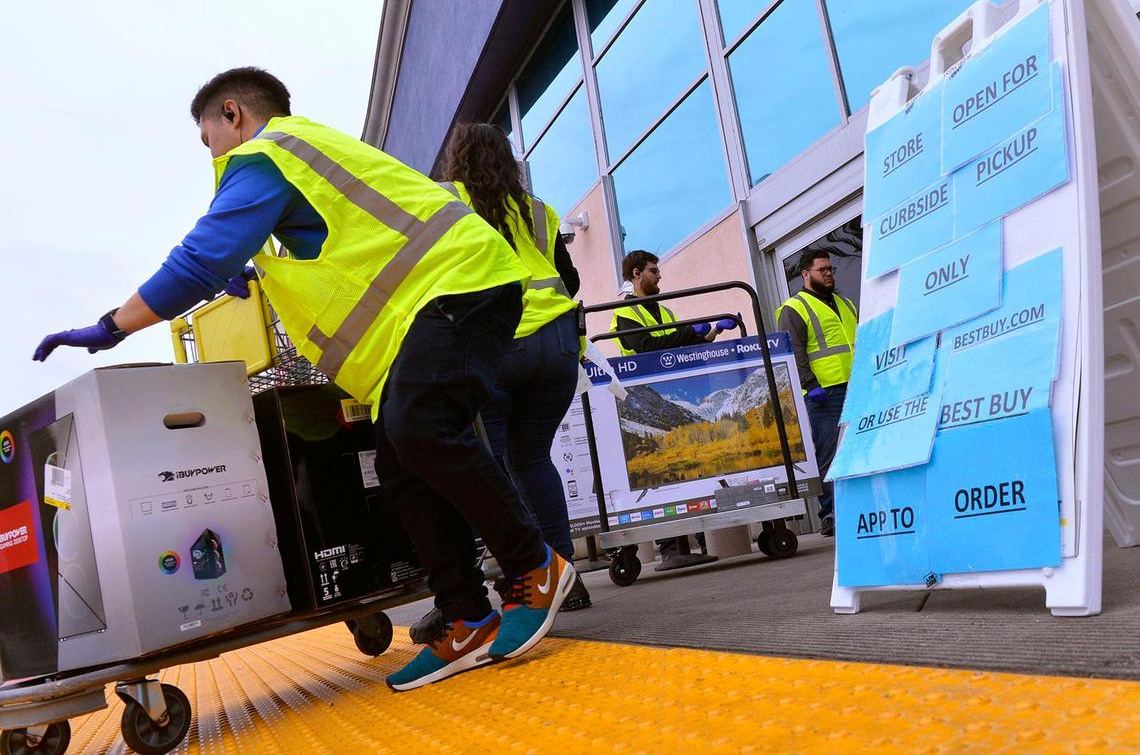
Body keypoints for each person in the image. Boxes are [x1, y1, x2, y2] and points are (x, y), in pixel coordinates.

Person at [31, 67, 576, 691]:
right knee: (401, 464)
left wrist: (112, 326)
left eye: (208, 138)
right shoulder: (304, 160)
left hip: (458, 286)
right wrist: (256, 269)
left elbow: (198, 259)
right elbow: (334, 247)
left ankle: (533, 566)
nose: (211, 153)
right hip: (430, 309)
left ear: (232, 113)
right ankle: (466, 616)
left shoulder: (268, 154)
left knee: (422, 428)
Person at [439, 122, 592, 611]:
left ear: (457, 159)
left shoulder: (448, 202)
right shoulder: (538, 211)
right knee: (533, 460)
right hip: (558, 346)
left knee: (492, 467)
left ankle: (527, 574)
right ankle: (566, 575)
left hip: (499, 347)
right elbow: (569, 280)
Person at [609, 250, 737, 569]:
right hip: (644, 396)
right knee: (658, 478)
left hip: (668, 394)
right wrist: (691, 331)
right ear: (636, 274)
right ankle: (669, 547)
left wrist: (711, 332)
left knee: (686, 471)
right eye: (654, 270)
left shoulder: (664, 310)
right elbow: (647, 347)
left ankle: (694, 539)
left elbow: (681, 345)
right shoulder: (624, 312)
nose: (659, 275)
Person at [775, 249, 858, 538]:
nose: (829, 274)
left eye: (831, 269)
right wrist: (810, 385)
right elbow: (793, 351)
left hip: (856, 386)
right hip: (825, 394)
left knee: (858, 447)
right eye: (822, 270)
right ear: (806, 274)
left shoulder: (845, 303)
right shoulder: (794, 308)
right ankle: (831, 514)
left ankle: (858, 507)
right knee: (829, 453)